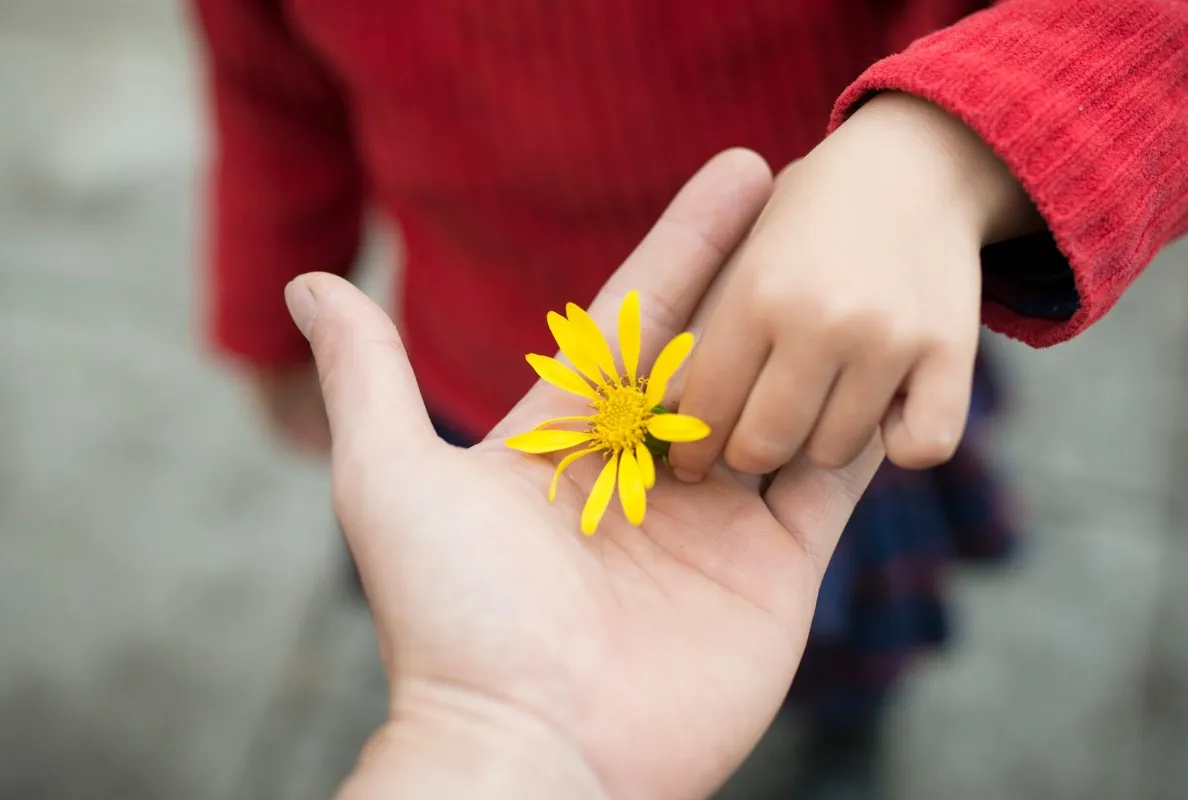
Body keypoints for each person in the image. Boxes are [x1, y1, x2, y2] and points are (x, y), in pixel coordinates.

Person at [191, 2, 1188, 795]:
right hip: (492, 394)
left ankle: (843, 725)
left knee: (837, 620)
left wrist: (946, 150)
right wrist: (491, 737)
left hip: (821, 391)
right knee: (472, 589)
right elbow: (266, 96)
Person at [288, 155, 885, 798]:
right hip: (463, 361)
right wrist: (494, 728)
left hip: (804, 296)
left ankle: (851, 719)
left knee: (850, 615)